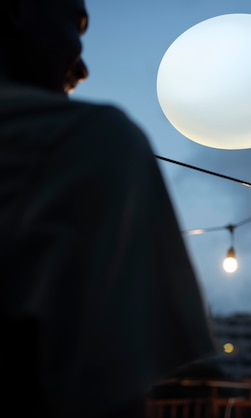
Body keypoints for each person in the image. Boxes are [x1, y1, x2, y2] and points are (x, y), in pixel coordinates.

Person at [0, 0, 216, 417]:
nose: (82, 69)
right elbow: (108, 388)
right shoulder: (92, 142)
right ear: (18, 10)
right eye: (75, 28)